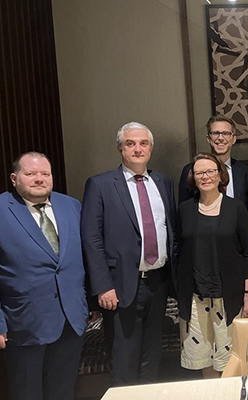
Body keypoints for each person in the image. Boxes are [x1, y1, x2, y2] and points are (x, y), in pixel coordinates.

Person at [81, 122, 177, 385]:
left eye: (143, 143)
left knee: (152, 356)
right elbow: (91, 239)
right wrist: (102, 286)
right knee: (124, 358)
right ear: (120, 148)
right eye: (130, 143)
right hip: (120, 286)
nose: (137, 149)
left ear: (151, 148)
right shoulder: (100, 184)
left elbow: (171, 231)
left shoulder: (163, 183)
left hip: (158, 283)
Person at [0, 152, 89, 400]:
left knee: (63, 392)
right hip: (24, 323)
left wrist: (88, 304)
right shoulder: (2, 209)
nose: (39, 179)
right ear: (14, 178)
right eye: (30, 174)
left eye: (45, 174)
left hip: (71, 320)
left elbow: (83, 258)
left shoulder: (71, 206)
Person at [177, 153, 248, 378]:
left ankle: (231, 392)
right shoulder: (185, 209)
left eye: (210, 171)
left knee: (230, 358)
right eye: (199, 172)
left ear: (220, 175)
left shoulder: (236, 208)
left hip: (229, 296)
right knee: (203, 356)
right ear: (193, 178)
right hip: (195, 297)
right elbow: (178, 249)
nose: (205, 177)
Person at [178, 115, 248, 208]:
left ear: (234, 139)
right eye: (215, 133)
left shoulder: (244, 171)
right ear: (208, 139)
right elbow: (184, 209)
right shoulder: (191, 170)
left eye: (226, 133)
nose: (221, 138)